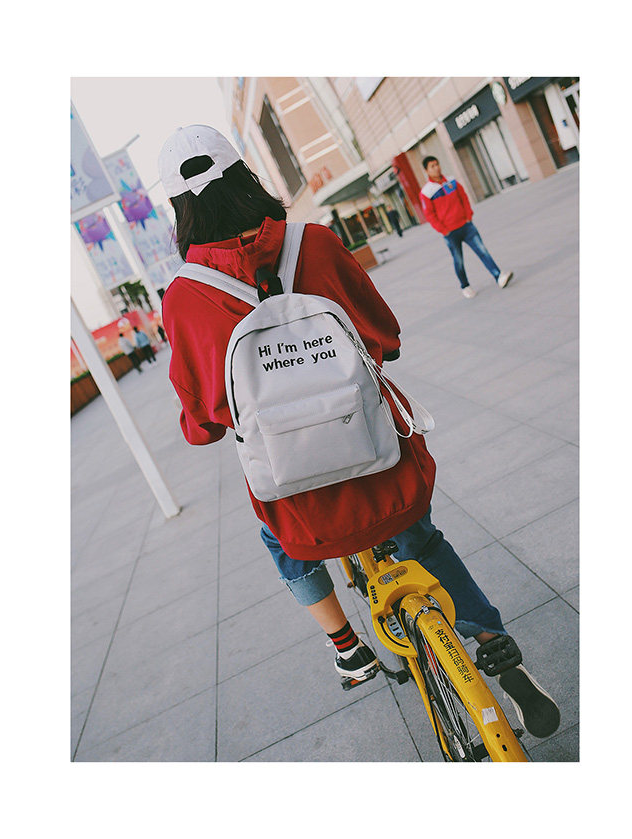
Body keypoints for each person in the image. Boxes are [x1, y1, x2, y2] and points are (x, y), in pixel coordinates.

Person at [158, 125, 559, 739]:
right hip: (383, 469)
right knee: (421, 539)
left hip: (300, 503)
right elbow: (385, 336)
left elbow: (203, 423)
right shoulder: (315, 243)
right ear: (245, 177)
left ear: (179, 209)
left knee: (275, 538)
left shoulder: (186, 297)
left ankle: (348, 647)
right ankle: (493, 645)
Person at [419, 156, 513, 299]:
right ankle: (465, 286)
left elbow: (463, 197)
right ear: (426, 171)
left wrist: (468, 215)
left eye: (437, 164)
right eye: (432, 166)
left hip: (466, 226)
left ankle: (499, 276)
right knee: (458, 260)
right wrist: (444, 230)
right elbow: (430, 215)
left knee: (482, 251)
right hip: (450, 233)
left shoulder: (451, 181)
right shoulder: (426, 192)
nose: (436, 168)